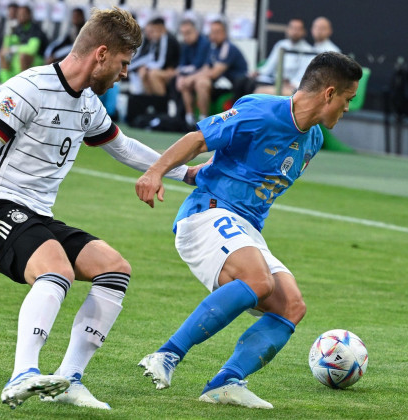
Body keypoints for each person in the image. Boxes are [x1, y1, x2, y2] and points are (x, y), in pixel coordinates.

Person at [0, 7, 196, 410]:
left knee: (114, 268)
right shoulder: (29, 87)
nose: (124, 73)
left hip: (36, 216)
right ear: (101, 54)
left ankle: (67, 379)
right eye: (122, 63)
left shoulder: (86, 103)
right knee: (56, 269)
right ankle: (22, 374)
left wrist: (185, 173)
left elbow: (122, 146)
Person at [135, 51, 362, 409]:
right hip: (207, 213)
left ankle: (225, 383)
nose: (348, 108)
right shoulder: (260, 110)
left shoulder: (313, 140)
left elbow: (245, 166)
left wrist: (208, 171)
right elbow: (198, 139)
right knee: (259, 281)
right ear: (329, 93)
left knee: (292, 306)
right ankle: (166, 355)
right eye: (348, 99)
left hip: (246, 229)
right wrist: (155, 172)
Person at [177, 19, 248, 127]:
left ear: (224, 33)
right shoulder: (213, 48)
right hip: (218, 84)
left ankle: (204, 122)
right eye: (212, 32)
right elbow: (205, 68)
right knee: (186, 84)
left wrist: (191, 78)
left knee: (201, 83)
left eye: (217, 32)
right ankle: (189, 119)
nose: (213, 35)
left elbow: (214, 73)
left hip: (234, 88)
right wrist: (188, 79)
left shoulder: (228, 48)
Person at [253, 18, 312, 96]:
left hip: (294, 86)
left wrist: (291, 83)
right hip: (275, 81)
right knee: (247, 83)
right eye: (292, 28)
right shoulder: (280, 45)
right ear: (287, 30)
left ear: (304, 32)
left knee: (259, 92)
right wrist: (258, 72)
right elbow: (269, 66)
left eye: (298, 29)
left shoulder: (308, 50)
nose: (295, 32)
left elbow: (303, 74)